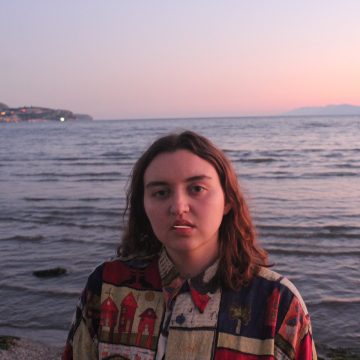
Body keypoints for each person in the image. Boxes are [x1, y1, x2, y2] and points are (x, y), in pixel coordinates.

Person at [63, 131, 317, 360]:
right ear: (143, 205)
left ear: (228, 201)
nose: (178, 207)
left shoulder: (277, 301)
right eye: (161, 192)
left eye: (197, 188)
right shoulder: (107, 285)